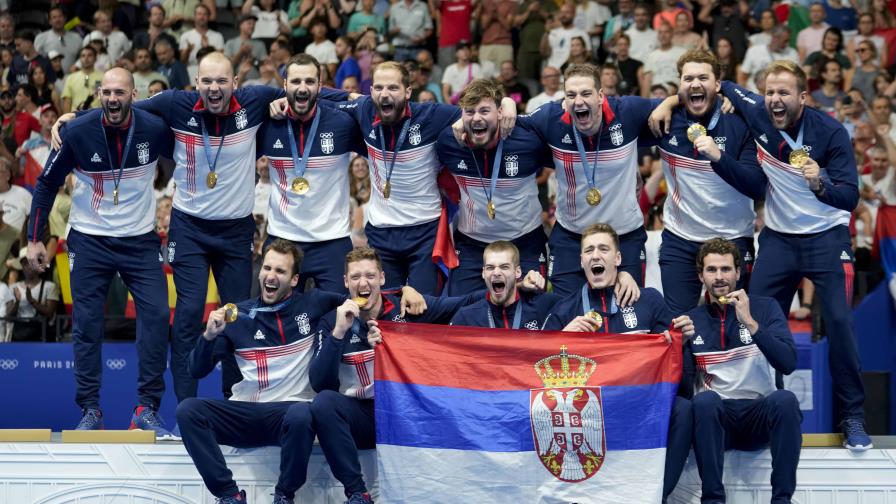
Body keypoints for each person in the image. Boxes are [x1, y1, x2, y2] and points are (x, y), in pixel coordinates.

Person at [690, 60, 871, 450]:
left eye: (783, 93)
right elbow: (723, 85)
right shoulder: (758, 111)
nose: (774, 99)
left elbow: (851, 197)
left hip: (827, 237)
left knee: (840, 323)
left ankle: (853, 417)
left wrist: (821, 183)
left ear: (802, 98)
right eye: (770, 91)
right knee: (756, 322)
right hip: (779, 240)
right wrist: (670, 103)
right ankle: (766, 411)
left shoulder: (831, 133)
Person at [27, 67, 174, 433]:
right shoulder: (77, 131)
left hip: (139, 240)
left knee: (156, 316)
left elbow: (189, 139)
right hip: (90, 239)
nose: (112, 99)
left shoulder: (154, 129)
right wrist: (33, 239)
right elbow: (46, 184)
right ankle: (90, 410)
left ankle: (146, 408)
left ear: (133, 94)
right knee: (87, 325)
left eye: (119, 92)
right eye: (106, 92)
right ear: (99, 95)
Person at [320, 61, 513, 294]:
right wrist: (283, 98)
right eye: (378, 88)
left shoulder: (431, 115)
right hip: (381, 230)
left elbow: (479, 108)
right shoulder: (364, 108)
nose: (385, 94)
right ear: (370, 91)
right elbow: (322, 95)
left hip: (425, 231)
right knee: (388, 309)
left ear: (408, 91)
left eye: (393, 88)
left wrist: (508, 104)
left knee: (425, 307)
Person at [176, 240, 344, 504]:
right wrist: (208, 336)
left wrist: (403, 293)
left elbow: (363, 299)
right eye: (267, 268)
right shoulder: (238, 314)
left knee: (303, 413)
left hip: (290, 414)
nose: (271, 276)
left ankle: (284, 495)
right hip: (246, 413)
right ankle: (229, 495)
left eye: (280, 271)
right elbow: (196, 370)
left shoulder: (314, 303)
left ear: (294, 279)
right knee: (188, 411)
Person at [308, 246, 480, 504]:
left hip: (404, 415)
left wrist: (520, 285)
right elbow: (321, 384)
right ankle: (358, 493)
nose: (363, 283)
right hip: (362, 416)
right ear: (345, 282)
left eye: (369, 275)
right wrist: (339, 334)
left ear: (382, 278)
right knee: (323, 404)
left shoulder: (407, 307)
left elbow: (467, 302)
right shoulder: (334, 320)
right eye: (355, 277)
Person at [541, 222, 694, 502]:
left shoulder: (647, 301)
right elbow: (535, 368)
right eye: (589, 250)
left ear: (618, 258)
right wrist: (561, 340)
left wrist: (681, 344)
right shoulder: (566, 311)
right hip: (588, 417)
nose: (596, 256)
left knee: (683, 410)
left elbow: (680, 375)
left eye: (603, 249)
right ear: (581, 261)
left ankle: (655, 497)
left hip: (640, 410)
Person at [685, 238, 801, 504]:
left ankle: (782, 500)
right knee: (703, 401)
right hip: (717, 422)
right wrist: (679, 347)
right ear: (700, 275)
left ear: (739, 272)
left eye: (726, 269)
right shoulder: (691, 320)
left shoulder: (765, 308)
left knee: (785, 400)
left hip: (758, 417)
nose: (719, 277)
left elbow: (788, 363)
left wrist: (750, 323)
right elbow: (682, 387)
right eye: (711, 270)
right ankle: (713, 500)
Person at [525, 63, 657, 296]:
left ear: (600, 96)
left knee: (627, 314)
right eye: (571, 95)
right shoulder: (550, 118)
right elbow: (512, 124)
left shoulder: (627, 111)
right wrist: (505, 104)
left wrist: (724, 96)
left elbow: (674, 105)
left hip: (623, 237)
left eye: (586, 93)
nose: (578, 101)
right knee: (565, 313)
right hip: (571, 236)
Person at [651, 49, 758, 315]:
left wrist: (720, 158)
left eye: (703, 78)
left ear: (718, 85)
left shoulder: (740, 123)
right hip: (681, 240)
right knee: (680, 324)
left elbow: (757, 187)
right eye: (688, 79)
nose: (695, 84)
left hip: (732, 238)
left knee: (736, 321)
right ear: (679, 85)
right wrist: (668, 102)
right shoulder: (664, 119)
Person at [257, 54, 363, 292]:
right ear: (284, 85)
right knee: (277, 321)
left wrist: (348, 96)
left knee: (340, 318)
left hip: (332, 241)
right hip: (282, 238)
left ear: (320, 85)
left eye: (309, 82)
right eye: (295, 82)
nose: (302, 88)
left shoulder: (343, 123)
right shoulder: (267, 124)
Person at [436, 78, 548, 294]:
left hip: (525, 243)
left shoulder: (528, 140)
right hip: (472, 245)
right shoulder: (449, 143)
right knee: (464, 316)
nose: (477, 118)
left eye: (484, 111)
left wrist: (509, 101)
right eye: (470, 112)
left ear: (499, 113)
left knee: (533, 311)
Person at [450, 240, 558, 328]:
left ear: (517, 272)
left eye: (504, 267)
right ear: (483, 273)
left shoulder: (543, 307)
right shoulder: (466, 318)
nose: (496, 273)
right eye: (490, 267)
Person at [34, 7, 82, 71]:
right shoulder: (41, 38)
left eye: (60, 16)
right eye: (54, 17)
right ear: (49, 21)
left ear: (65, 19)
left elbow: (83, 57)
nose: (58, 20)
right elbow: (35, 60)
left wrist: (77, 66)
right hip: (49, 79)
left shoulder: (77, 38)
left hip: (72, 78)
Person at [62, 46, 103, 112]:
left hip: (96, 117)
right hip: (76, 117)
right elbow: (67, 101)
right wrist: (67, 121)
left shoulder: (103, 77)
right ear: (80, 59)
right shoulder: (71, 78)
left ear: (95, 58)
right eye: (83, 56)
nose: (86, 58)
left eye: (89, 55)